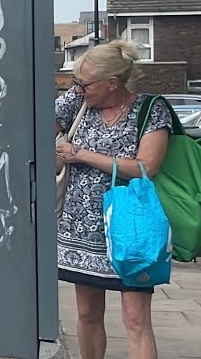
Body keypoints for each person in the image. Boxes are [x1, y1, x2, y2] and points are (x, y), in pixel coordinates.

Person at [56, 40, 172, 359]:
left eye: (85, 83)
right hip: (81, 230)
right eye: (75, 82)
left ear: (113, 83)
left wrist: (83, 155)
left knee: (135, 319)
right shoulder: (78, 104)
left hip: (131, 227)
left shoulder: (150, 109)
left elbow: (146, 167)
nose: (79, 89)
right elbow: (37, 130)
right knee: (88, 314)